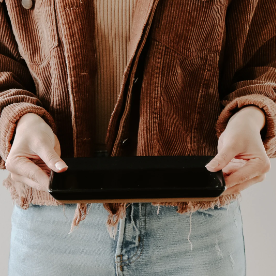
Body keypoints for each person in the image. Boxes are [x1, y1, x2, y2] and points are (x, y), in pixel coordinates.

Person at [1, 0, 275, 275]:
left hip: (193, 220)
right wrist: (19, 120)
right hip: (50, 222)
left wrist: (251, 115)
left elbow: (266, 55)